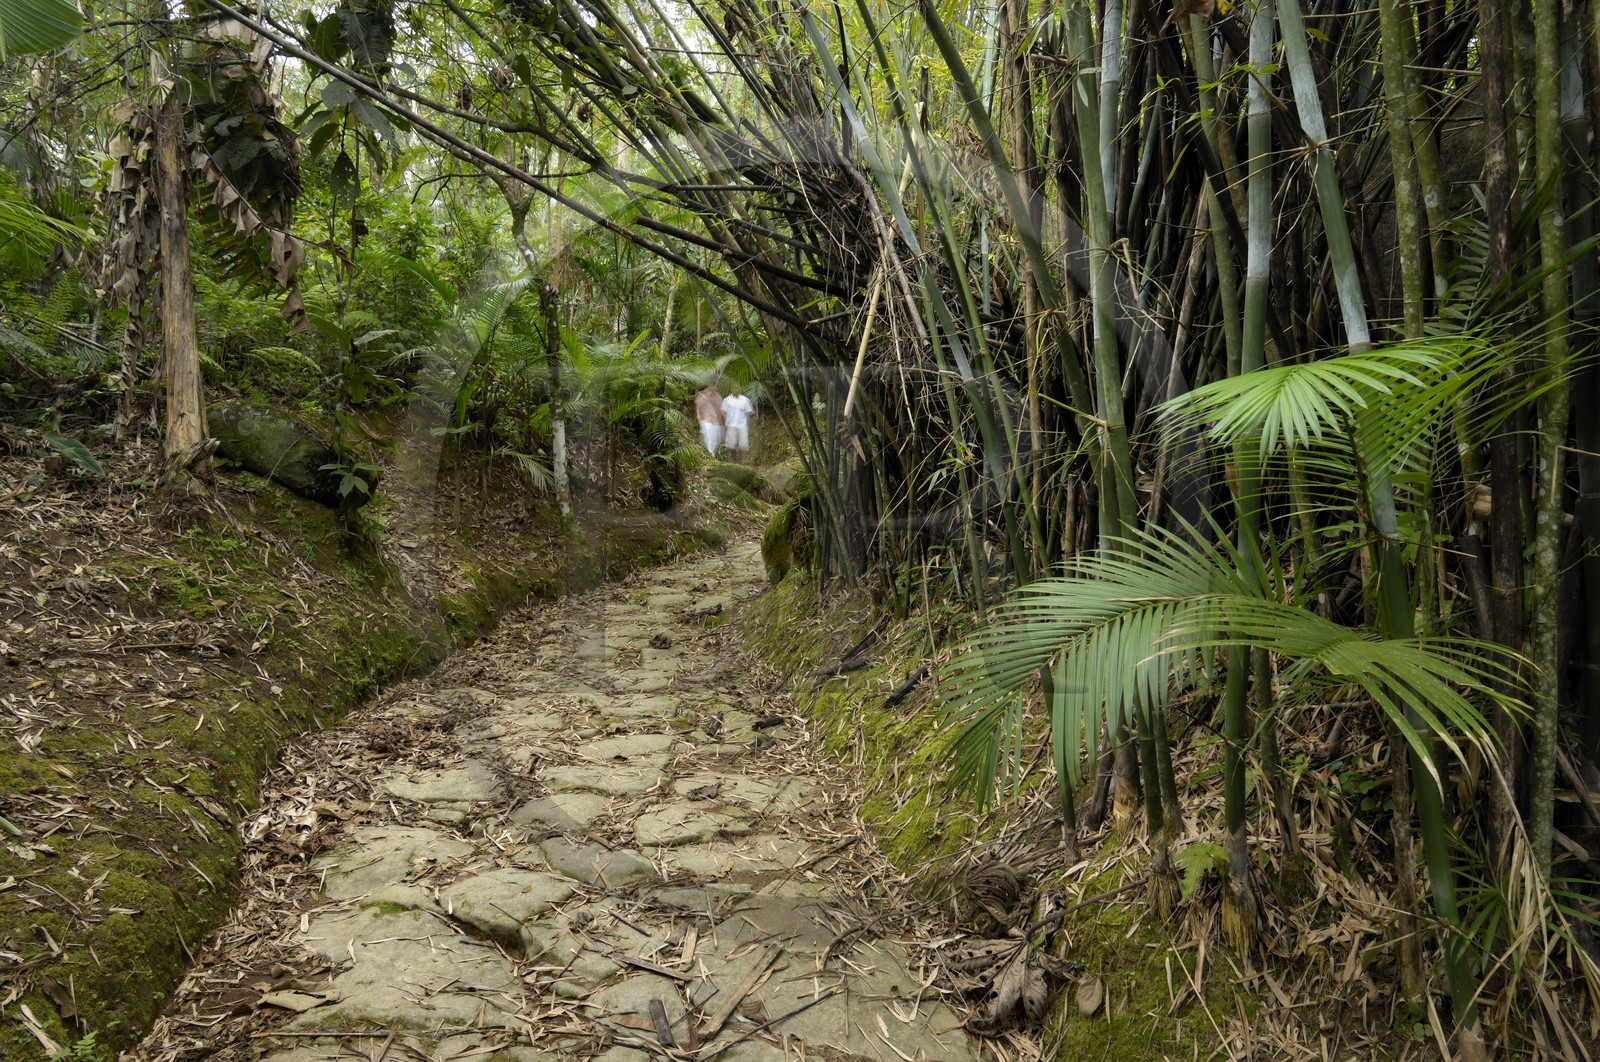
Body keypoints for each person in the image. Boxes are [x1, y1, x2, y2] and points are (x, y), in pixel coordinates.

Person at [721, 387, 755, 459]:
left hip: (743, 425)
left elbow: (749, 413)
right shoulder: (727, 400)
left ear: (740, 389)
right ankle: (734, 459)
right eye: (734, 388)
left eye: (737, 388)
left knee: (743, 445)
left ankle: (742, 462)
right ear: (731, 389)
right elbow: (723, 412)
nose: (735, 389)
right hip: (731, 425)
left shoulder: (745, 400)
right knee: (730, 445)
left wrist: (750, 426)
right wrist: (725, 422)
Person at [694, 384, 724, 455]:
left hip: (716, 422)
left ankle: (708, 455)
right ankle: (711, 457)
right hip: (706, 421)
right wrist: (699, 418)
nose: (714, 388)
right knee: (711, 441)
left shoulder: (717, 396)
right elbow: (698, 409)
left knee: (717, 440)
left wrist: (722, 419)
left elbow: (722, 408)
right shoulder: (702, 396)